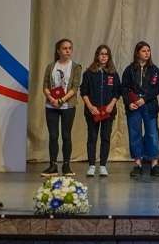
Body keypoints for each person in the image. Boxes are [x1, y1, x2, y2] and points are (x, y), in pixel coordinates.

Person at [41, 38, 81, 177]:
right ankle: (52, 165)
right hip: (51, 105)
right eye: (64, 48)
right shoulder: (51, 66)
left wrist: (61, 100)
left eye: (69, 48)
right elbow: (45, 85)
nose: (68, 51)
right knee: (53, 135)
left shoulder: (75, 67)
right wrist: (52, 99)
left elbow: (75, 87)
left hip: (67, 106)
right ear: (58, 51)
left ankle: (66, 165)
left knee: (66, 135)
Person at [121, 41, 159, 177]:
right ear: (137, 53)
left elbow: (156, 89)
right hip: (134, 106)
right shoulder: (129, 70)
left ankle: (154, 163)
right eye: (144, 51)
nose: (147, 53)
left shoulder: (154, 70)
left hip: (149, 105)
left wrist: (144, 99)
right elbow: (124, 88)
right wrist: (129, 103)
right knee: (135, 134)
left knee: (152, 134)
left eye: (148, 51)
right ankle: (138, 164)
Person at [80, 44, 121, 177]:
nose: (103, 56)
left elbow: (117, 92)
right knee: (92, 138)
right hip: (93, 112)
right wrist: (90, 106)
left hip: (108, 111)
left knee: (105, 138)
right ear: (97, 56)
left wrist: (111, 105)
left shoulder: (113, 74)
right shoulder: (89, 73)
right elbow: (83, 91)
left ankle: (103, 165)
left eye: (106, 54)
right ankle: (91, 165)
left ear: (109, 57)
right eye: (101, 54)